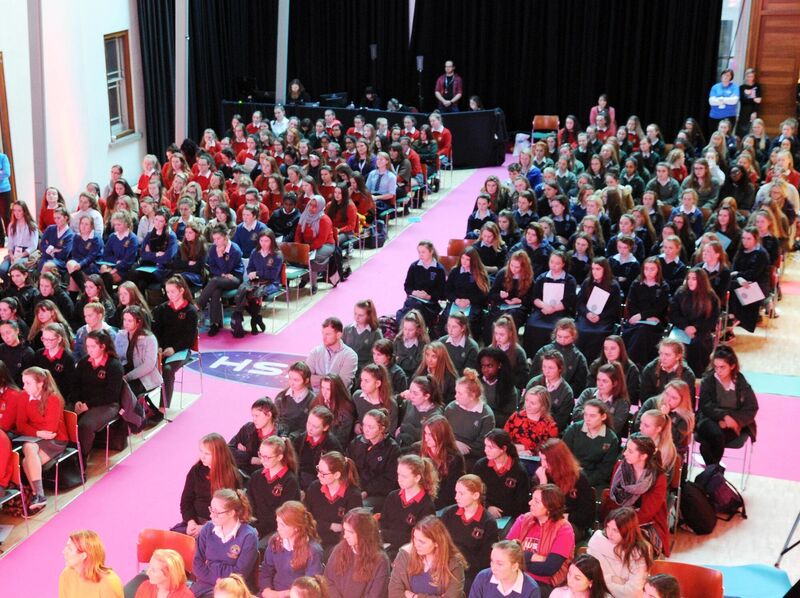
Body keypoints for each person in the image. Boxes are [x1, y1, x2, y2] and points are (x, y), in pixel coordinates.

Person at [604, 434, 669, 556]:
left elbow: (647, 513)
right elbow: (614, 501)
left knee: (634, 550)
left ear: (643, 456)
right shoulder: (620, 467)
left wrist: (623, 528)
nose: (624, 454)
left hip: (646, 523)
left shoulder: (658, 478)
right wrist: (616, 526)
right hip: (618, 518)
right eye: (626, 449)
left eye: (630, 451)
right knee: (605, 544)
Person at [696, 345, 758, 466]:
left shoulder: (740, 382)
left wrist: (733, 420)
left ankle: (712, 474)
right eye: (716, 367)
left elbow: (752, 407)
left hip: (733, 424)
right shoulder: (708, 380)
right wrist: (724, 417)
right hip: (708, 420)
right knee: (716, 435)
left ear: (732, 366)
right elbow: (706, 406)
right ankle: (715, 474)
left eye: (722, 367)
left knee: (706, 446)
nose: (718, 371)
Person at [506, 484, 575, 595]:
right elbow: (506, 553)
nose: (530, 503)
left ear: (550, 507)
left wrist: (522, 557)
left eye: (536, 501)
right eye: (532, 498)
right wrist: (535, 557)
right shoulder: (523, 519)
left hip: (544, 583)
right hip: (515, 575)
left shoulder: (564, 529)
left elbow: (549, 568)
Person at [16, 367, 67, 510]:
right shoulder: (23, 396)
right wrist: (38, 433)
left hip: (55, 439)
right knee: (28, 449)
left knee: (27, 458)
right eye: (23, 383)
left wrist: (33, 429)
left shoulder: (53, 398)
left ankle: (37, 494)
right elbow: (20, 425)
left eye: (28, 383)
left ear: (40, 383)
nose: (24, 386)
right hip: (37, 438)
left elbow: (50, 430)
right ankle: (39, 495)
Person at [192, 489, 259, 597]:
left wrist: (212, 568)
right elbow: (197, 565)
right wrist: (221, 572)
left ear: (231, 513)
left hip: (231, 590)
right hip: (204, 586)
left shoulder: (248, 536)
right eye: (211, 510)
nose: (211, 515)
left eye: (216, 512)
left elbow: (239, 574)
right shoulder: (207, 528)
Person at [72, 329, 125, 460]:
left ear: (103, 346)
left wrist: (88, 405)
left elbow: (111, 395)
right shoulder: (84, 363)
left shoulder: (114, 365)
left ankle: (81, 458)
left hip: (107, 405)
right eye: (87, 346)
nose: (89, 350)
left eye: (93, 346)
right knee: (65, 417)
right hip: (84, 402)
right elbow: (75, 385)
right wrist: (77, 400)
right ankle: (68, 454)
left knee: (85, 425)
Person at [440, 475, 499, 591]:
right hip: (445, 566)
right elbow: (440, 541)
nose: (456, 497)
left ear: (475, 495)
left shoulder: (488, 522)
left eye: (461, 493)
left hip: (470, 573)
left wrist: (460, 564)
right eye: (456, 492)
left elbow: (485, 558)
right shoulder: (448, 514)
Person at [175, 433, 241, 537]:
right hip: (195, 520)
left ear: (218, 454)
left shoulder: (230, 476)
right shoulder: (196, 470)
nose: (202, 456)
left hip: (217, 526)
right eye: (201, 451)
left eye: (207, 453)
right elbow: (186, 501)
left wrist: (205, 528)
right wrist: (191, 522)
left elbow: (229, 512)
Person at [388, 515, 467, 598]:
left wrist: (414, 596)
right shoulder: (405, 554)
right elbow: (394, 593)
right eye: (414, 538)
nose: (416, 544)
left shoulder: (454, 563)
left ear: (437, 542)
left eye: (422, 542)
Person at [151, 276, 199, 410]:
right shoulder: (162, 308)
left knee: (167, 370)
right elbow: (156, 330)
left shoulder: (190, 311)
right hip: (162, 349)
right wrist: (159, 346)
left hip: (181, 350)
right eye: (167, 292)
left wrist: (174, 349)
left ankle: (163, 408)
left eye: (173, 291)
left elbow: (189, 338)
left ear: (181, 291)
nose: (170, 295)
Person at [258, 501, 324, 598]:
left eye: (282, 525)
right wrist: (267, 590)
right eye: (278, 523)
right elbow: (266, 570)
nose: (278, 528)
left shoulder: (313, 550)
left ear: (296, 527)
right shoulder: (275, 542)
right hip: (272, 593)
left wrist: (283, 594)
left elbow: (309, 587)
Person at [303, 451, 363, 553]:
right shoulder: (314, 487)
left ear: (336, 475)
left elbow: (350, 529)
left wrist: (319, 525)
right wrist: (329, 526)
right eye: (318, 470)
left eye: (323, 473)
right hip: (313, 537)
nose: (318, 475)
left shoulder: (353, 495)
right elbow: (305, 519)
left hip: (337, 544)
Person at [324, 507, 391, 598]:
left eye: (350, 532)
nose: (345, 536)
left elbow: (375, 595)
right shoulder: (339, 549)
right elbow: (328, 580)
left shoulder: (380, 560)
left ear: (364, 533)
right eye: (345, 530)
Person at [380, 454, 438, 558]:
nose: (399, 479)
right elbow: (383, 523)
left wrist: (385, 534)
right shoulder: (393, 496)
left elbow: (416, 538)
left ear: (417, 478)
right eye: (398, 474)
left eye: (404, 476)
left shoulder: (426, 505)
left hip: (409, 551)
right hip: (387, 545)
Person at [248, 436, 302, 540]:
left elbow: (283, 514)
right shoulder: (256, 476)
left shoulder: (289, 481)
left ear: (279, 457)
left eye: (267, 457)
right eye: (260, 455)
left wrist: (259, 529)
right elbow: (250, 504)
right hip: (254, 525)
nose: (262, 460)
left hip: (276, 529)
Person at [621, 258, 670, 368]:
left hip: (654, 323)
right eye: (646, 269)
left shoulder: (663, 287)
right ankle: (635, 364)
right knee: (640, 330)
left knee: (643, 331)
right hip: (636, 320)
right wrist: (641, 317)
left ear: (658, 270)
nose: (648, 272)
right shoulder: (636, 284)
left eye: (652, 269)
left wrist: (643, 316)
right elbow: (631, 304)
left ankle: (631, 362)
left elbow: (660, 308)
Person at [472, 429, 530, 523]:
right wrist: (487, 507)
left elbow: (522, 503)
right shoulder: (480, 466)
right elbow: (473, 492)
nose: (486, 450)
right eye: (485, 445)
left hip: (509, 517)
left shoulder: (519, 471)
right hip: (483, 512)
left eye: (491, 447)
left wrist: (501, 512)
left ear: (503, 449)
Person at [562, 399, 620, 489]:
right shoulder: (574, 429)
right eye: (585, 415)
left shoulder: (611, 438)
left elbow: (605, 469)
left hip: (594, 481)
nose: (587, 419)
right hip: (569, 475)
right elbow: (563, 456)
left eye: (592, 416)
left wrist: (584, 481)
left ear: (603, 416)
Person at [198, 226, 244, 337]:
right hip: (220, 278)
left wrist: (219, 257)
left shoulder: (234, 249)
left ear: (225, 238)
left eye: (218, 239)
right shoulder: (214, 248)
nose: (215, 242)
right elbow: (211, 267)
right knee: (215, 292)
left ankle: (199, 305)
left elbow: (228, 269)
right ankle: (215, 324)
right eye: (214, 239)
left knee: (214, 282)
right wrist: (222, 274)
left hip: (234, 278)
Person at [728, 226, 770, 333]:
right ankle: (731, 317)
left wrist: (738, 275)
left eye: (748, 239)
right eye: (743, 238)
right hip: (741, 282)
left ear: (756, 239)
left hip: (758, 286)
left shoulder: (761, 254)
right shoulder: (741, 250)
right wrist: (739, 278)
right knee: (728, 284)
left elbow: (753, 274)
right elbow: (734, 267)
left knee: (732, 286)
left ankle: (733, 317)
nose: (744, 241)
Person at [531, 319, 590, 397]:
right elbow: (534, 374)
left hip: (565, 395)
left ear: (573, 336)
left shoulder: (578, 357)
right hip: (541, 393)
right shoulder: (544, 351)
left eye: (566, 337)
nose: (562, 340)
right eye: (559, 336)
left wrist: (565, 393)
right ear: (555, 334)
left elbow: (580, 384)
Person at [396, 240, 447, 329]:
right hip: (414, 299)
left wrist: (429, 296)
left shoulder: (439, 269)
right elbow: (407, 286)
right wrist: (414, 292)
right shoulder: (414, 266)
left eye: (423, 252)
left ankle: (405, 328)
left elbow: (442, 293)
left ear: (431, 252)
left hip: (430, 304)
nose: (420, 255)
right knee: (414, 305)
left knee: (416, 309)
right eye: (419, 252)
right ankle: (405, 328)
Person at [59, 529, 124, 598]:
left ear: (83, 556)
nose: (64, 552)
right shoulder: (66, 575)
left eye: (69, 549)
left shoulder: (109, 582)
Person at [573, 362, 632, 437]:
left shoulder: (622, 403)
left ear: (614, 383)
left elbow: (614, 428)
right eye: (598, 380)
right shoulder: (588, 393)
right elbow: (575, 415)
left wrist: (589, 418)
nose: (600, 384)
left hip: (606, 440)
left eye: (604, 381)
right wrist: (599, 420)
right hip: (582, 435)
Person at [419, 414, 465, 510]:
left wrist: (428, 505)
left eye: (431, 435)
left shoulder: (454, 458)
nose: (426, 438)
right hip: (421, 498)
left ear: (442, 435)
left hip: (441, 504)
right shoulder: (418, 450)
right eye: (425, 434)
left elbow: (450, 492)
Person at [115, 306, 162, 397]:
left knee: (124, 393)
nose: (126, 323)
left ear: (138, 322)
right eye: (125, 320)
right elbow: (115, 357)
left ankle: (130, 411)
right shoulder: (120, 335)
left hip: (143, 376)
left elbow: (148, 365)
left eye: (130, 321)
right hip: (123, 371)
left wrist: (128, 377)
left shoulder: (149, 339)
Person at [293, 406, 343, 489]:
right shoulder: (300, 439)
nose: (310, 428)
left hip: (319, 482)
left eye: (315, 427)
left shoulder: (332, 444)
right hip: (299, 479)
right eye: (308, 423)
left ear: (325, 427)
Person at [229, 398, 278, 474]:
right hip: (243, 474)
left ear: (269, 415)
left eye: (257, 416)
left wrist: (241, 456)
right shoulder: (248, 428)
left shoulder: (280, 435)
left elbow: (277, 463)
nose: (254, 419)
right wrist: (250, 459)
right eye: (253, 416)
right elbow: (229, 450)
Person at [504, 386, 559, 456]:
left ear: (543, 406)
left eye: (532, 403)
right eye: (526, 400)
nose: (527, 405)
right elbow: (504, 440)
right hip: (512, 456)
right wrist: (517, 451)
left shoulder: (550, 425)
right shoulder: (516, 417)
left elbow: (549, 451)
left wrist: (524, 448)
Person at [638, 340, 696, 405]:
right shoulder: (650, 369)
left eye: (667, 355)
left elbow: (687, 402)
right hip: (653, 409)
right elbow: (645, 397)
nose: (662, 358)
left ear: (678, 356)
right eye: (660, 353)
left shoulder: (687, 374)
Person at [396, 375, 444, 448]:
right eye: (410, 391)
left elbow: (425, 436)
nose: (411, 396)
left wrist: (405, 427)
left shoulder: (435, 415)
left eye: (415, 393)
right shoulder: (410, 403)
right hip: (401, 444)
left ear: (426, 396)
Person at [311, 374, 356, 448]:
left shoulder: (346, 409)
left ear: (336, 390)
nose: (324, 392)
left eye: (328, 389)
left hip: (335, 447)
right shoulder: (317, 401)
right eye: (322, 388)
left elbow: (342, 439)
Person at [342, 300, 383, 375]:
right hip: (346, 367)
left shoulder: (376, 333)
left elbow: (378, 356)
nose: (356, 318)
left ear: (368, 316)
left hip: (365, 370)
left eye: (360, 315)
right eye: (355, 314)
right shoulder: (347, 330)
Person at [275, 362, 316, 437]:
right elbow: (276, 420)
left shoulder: (313, 400)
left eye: (296, 380)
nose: (291, 383)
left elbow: (311, 427)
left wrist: (292, 437)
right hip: (280, 437)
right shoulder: (281, 397)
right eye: (290, 378)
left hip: (301, 439)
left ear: (306, 380)